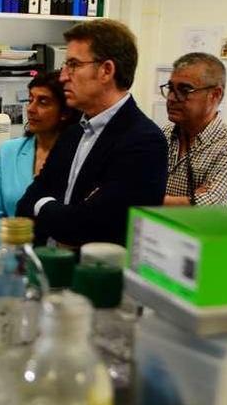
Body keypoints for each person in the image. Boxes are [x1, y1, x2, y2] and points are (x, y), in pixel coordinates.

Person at [15, 19, 168, 247]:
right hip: (46, 270)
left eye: (73, 65)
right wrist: (61, 211)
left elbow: (89, 227)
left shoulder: (144, 141)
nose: (63, 76)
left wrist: (44, 206)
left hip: (95, 278)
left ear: (106, 70)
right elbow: (25, 203)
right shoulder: (73, 133)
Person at [0, 71, 76, 254]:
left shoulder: (76, 156)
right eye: (30, 99)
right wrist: (9, 258)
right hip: (10, 259)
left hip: (58, 262)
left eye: (43, 102)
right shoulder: (9, 152)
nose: (31, 109)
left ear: (65, 112)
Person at [161, 52, 227, 206]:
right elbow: (132, 186)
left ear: (215, 95)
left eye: (184, 90)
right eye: (171, 88)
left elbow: (210, 208)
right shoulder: (163, 135)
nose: (171, 98)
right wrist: (189, 201)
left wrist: (149, 198)